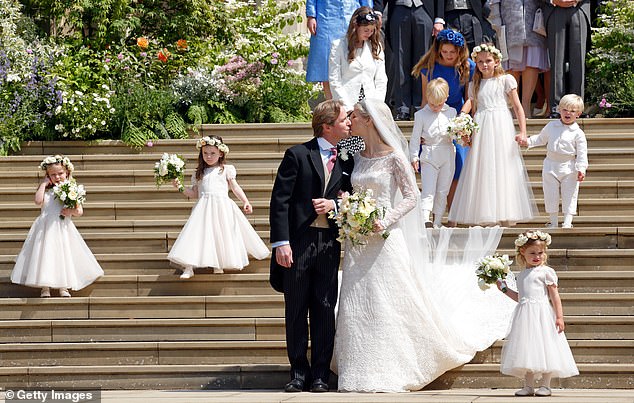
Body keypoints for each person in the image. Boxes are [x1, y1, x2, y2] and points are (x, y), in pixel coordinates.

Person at [333, 98, 515, 392]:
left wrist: (385, 219)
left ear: (368, 120)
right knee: (357, 302)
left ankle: (393, 364)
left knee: (389, 300)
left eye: (353, 115)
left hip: (384, 236)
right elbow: (342, 184)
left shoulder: (393, 156)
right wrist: (347, 209)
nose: (349, 119)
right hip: (357, 240)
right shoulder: (351, 150)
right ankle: (357, 367)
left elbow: (411, 196)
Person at [269, 99, 354, 393]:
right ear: (327, 125)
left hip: (329, 242)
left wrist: (335, 204)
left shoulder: (348, 153)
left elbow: (356, 190)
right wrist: (281, 242)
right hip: (298, 243)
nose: (349, 123)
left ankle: (320, 374)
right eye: (344, 119)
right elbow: (279, 201)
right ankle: (297, 373)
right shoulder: (297, 154)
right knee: (295, 309)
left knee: (324, 307)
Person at [448, 43, 537, 226]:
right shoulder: (475, 84)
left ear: (496, 61)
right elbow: (470, 104)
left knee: (503, 165)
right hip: (482, 124)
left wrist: (523, 131)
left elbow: (518, 107)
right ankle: (486, 211)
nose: (484, 65)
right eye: (480, 62)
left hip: (500, 124)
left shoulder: (506, 80)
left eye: (488, 61)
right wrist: (461, 121)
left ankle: (505, 210)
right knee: (484, 166)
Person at [167, 136, 269, 279]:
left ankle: (218, 263)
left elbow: (235, 187)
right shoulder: (199, 173)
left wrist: (245, 201)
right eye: (205, 153)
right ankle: (189, 267)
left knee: (220, 234)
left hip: (222, 206)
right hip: (203, 207)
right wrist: (180, 187)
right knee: (197, 235)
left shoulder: (226, 169)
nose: (208, 156)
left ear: (221, 153)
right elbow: (195, 193)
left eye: (212, 153)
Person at [498, 230, 579, 397]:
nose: (537, 256)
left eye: (540, 253)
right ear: (522, 252)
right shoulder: (522, 275)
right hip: (525, 315)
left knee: (545, 347)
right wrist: (504, 289)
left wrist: (559, 317)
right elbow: (520, 297)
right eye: (532, 253)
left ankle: (546, 385)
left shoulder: (546, 272)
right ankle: (528, 386)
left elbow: (554, 296)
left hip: (542, 314)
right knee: (527, 349)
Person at [11, 155, 104, 297]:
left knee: (62, 256)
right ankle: (45, 287)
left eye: (60, 173)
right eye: (53, 174)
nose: (57, 177)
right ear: (47, 175)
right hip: (45, 229)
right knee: (45, 256)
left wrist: (70, 211)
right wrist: (43, 184)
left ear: (67, 173)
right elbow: (37, 201)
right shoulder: (46, 191)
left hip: (62, 228)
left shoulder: (70, 189)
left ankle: (63, 287)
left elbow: (79, 211)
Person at [411, 29, 475, 209]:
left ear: (460, 51)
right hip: (434, 115)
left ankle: (451, 212)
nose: (448, 55)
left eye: (452, 52)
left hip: (457, 117)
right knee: (431, 167)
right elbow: (426, 99)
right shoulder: (429, 67)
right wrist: (423, 126)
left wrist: (462, 119)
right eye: (444, 51)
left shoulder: (467, 66)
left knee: (457, 167)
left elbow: (470, 97)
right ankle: (431, 213)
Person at [523, 94, 588, 229]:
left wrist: (581, 169)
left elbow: (582, 153)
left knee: (570, 193)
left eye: (572, 111)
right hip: (550, 164)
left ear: (579, 114)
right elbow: (540, 139)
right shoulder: (551, 126)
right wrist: (527, 141)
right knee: (550, 192)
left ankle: (567, 221)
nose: (567, 113)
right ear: (559, 110)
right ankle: (553, 221)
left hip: (569, 166)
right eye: (564, 109)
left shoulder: (578, 133)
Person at [373, 0, 442, 121]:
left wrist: (439, 18)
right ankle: (402, 108)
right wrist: (378, 11)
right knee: (400, 60)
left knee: (422, 61)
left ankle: (420, 105)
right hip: (399, 9)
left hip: (424, 9)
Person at [409, 78, 457, 228]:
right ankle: (424, 219)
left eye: (439, 104)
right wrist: (414, 156)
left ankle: (437, 221)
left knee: (443, 190)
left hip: (447, 154)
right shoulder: (421, 115)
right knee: (428, 190)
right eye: (432, 104)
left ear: (446, 98)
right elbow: (415, 137)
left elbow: (455, 134)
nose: (435, 107)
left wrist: (460, 134)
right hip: (429, 155)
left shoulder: (452, 112)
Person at [305, 0, 373, 100]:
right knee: (326, 65)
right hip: (325, 16)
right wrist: (311, 15)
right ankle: (332, 105)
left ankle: (352, 105)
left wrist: (368, 13)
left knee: (352, 62)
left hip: (351, 14)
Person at [498, 0, 550, 118]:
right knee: (511, 65)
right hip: (509, 22)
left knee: (531, 63)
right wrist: (495, 19)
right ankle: (513, 106)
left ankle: (525, 106)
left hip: (534, 22)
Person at [329, 7, 388, 111]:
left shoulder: (376, 47)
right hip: (347, 104)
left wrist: (376, 105)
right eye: (366, 30)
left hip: (371, 105)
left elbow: (381, 79)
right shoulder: (338, 46)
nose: (369, 33)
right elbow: (335, 80)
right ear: (356, 26)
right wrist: (347, 107)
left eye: (371, 30)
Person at [542, 0, 590, 118]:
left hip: (579, 7)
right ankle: (557, 108)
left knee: (578, 62)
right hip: (554, 8)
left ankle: (578, 108)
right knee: (556, 62)